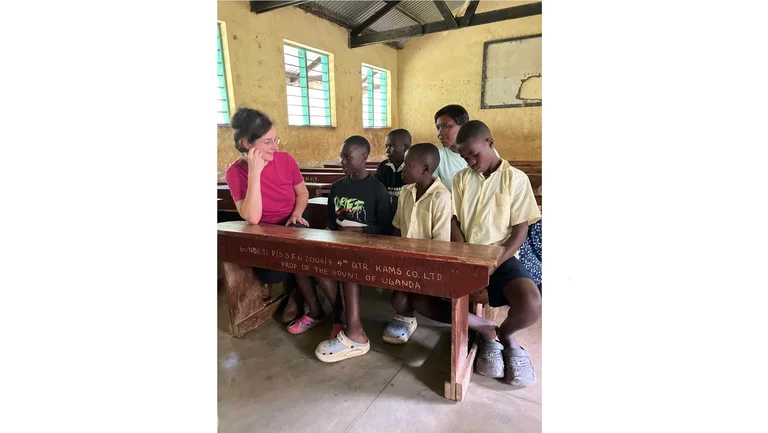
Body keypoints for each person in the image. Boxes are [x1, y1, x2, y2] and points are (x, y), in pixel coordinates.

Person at [224, 107, 339, 336]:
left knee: (310, 258)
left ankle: (335, 315)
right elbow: (253, 217)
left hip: (291, 224)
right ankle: (295, 296)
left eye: (275, 139)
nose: (275, 147)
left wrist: (297, 213)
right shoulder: (235, 173)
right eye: (268, 142)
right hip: (264, 231)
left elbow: (303, 194)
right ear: (247, 143)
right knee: (275, 273)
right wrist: (255, 172)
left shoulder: (285, 160)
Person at [451, 120, 542, 386]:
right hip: (466, 256)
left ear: (490, 143)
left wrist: (493, 263)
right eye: (464, 156)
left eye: (474, 154)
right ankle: (484, 330)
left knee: (531, 304)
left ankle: (505, 335)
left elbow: (519, 231)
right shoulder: (460, 179)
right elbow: (454, 221)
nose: (469, 161)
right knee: (429, 298)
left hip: (502, 258)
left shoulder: (515, 179)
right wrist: (466, 256)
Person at [314, 136, 394, 363]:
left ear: (364, 157)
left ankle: (350, 324)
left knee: (349, 269)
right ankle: (342, 315)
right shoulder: (338, 187)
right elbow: (331, 221)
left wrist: (361, 233)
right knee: (317, 267)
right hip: (340, 244)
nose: (342, 161)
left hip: (368, 248)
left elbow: (386, 229)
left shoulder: (377, 190)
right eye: (341, 156)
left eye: (347, 157)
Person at [381, 143, 452, 344]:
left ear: (426, 169)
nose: (403, 169)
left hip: (429, 263)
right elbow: (398, 227)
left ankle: (469, 323)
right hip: (405, 260)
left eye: (407, 165)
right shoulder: (406, 192)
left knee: (421, 302)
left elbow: (440, 244)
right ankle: (406, 316)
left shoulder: (441, 197)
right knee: (397, 301)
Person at [433, 104, 499, 193]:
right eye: (438, 127)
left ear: (464, 126)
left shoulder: (486, 151)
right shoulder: (436, 156)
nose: (440, 133)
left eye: (447, 126)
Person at [374, 129, 411, 204]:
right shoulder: (383, 167)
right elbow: (376, 191)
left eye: (392, 146)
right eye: (386, 146)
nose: (387, 151)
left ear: (405, 148)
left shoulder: (412, 168)